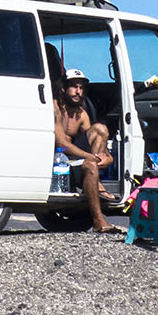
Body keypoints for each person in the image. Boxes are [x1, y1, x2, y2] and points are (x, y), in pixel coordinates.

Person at [55, 69, 120, 232]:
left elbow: (98, 140)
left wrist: (107, 157)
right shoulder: (55, 108)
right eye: (74, 87)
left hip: (75, 160)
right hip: (58, 160)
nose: (78, 92)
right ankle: (98, 221)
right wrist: (91, 157)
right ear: (63, 88)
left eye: (81, 88)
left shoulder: (81, 114)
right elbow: (62, 143)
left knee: (101, 129)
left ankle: (94, 181)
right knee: (91, 165)